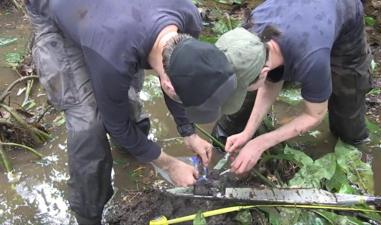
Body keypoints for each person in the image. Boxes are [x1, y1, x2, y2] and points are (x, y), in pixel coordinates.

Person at [25, 0, 237, 224]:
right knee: (88, 124)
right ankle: (89, 213)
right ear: (168, 86)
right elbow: (116, 123)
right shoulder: (115, 58)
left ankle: (136, 149)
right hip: (55, 14)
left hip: (112, 22)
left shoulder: (188, 16)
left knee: (127, 97)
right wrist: (169, 164)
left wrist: (189, 132)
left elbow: (178, 72)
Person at [214, 0, 373, 175]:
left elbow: (314, 115)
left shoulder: (312, 58)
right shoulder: (250, 33)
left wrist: (260, 143)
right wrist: (247, 133)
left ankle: (356, 159)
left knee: (348, 123)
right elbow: (270, 82)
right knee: (246, 100)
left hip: (343, 17)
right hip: (300, 17)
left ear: (264, 71)